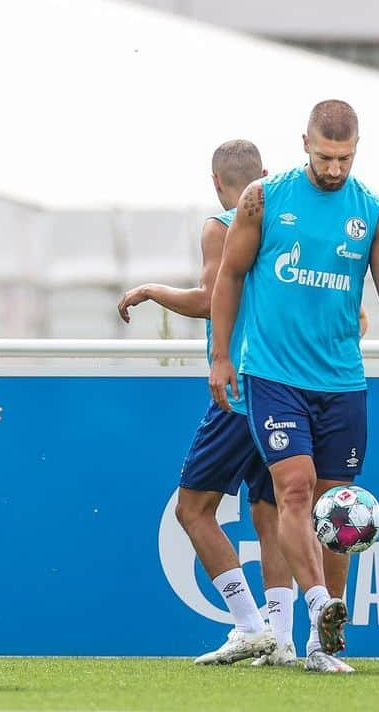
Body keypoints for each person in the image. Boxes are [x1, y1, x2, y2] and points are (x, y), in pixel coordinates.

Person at [209, 100, 379, 673]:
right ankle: (320, 602)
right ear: (304, 144)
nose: (334, 169)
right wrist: (222, 356)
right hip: (273, 375)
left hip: (342, 382)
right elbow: (228, 276)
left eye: (345, 158)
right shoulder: (264, 199)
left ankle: (324, 644)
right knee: (292, 490)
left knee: (336, 506)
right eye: (325, 157)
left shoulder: (374, 211)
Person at [117, 140, 293, 666]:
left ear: (216, 182)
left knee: (193, 509)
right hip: (284, 384)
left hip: (240, 391)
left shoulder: (221, 224)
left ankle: (248, 625)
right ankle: (282, 639)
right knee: (269, 512)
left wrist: (151, 290)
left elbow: (211, 299)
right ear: (264, 175)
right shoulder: (286, 223)